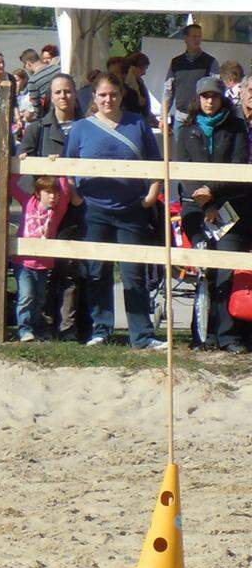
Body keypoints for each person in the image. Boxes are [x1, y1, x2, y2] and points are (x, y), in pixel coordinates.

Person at [64, 71, 164, 349]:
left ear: (121, 95)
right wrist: (74, 196)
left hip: (131, 208)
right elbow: (67, 166)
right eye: (103, 95)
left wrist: (151, 194)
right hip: (93, 209)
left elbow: (156, 162)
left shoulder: (137, 123)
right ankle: (101, 330)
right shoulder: (81, 128)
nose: (108, 99)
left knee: (134, 273)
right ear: (94, 97)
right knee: (97, 272)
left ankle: (141, 335)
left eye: (113, 94)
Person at [176, 76, 251, 352]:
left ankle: (227, 335)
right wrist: (204, 199)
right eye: (205, 96)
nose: (210, 101)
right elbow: (182, 168)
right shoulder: (186, 130)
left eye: (214, 96)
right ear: (198, 99)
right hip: (196, 208)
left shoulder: (236, 128)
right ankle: (201, 335)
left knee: (225, 272)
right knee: (203, 271)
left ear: (222, 98)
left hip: (229, 207)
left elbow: (239, 165)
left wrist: (212, 190)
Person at [19, 73, 86, 340]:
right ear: (50, 96)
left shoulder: (85, 125)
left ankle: (68, 327)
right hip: (44, 211)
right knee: (42, 270)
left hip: (75, 207)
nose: (63, 97)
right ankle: (43, 324)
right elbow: (24, 159)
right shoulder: (38, 128)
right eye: (58, 92)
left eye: (68, 91)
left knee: (70, 268)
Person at [11, 175, 81, 342]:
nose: (53, 197)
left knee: (40, 298)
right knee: (26, 296)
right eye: (48, 193)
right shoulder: (27, 201)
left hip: (44, 263)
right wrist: (21, 163)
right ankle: (24, 329)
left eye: (55, 193)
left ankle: (37, 327)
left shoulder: (58, 209)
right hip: (24, 261)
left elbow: (64, 191)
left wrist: (58, 170)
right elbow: (12, 185)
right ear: (37, 192)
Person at [166, 23, 220, 127]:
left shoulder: (210, 62)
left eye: (199, 36)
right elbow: (168, 91)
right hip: (180, 117)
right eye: (194, 36)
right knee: (180, 143)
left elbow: (216, 91)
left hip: (202, 118)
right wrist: (164, 116)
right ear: (186, 38)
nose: (197, 40)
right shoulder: (176, 63)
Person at [122, 52, 154, 125]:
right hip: (132, 121)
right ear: (135, 67)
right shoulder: (128, 82)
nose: (144, 73)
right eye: (143, 69)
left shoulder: (138, 81)